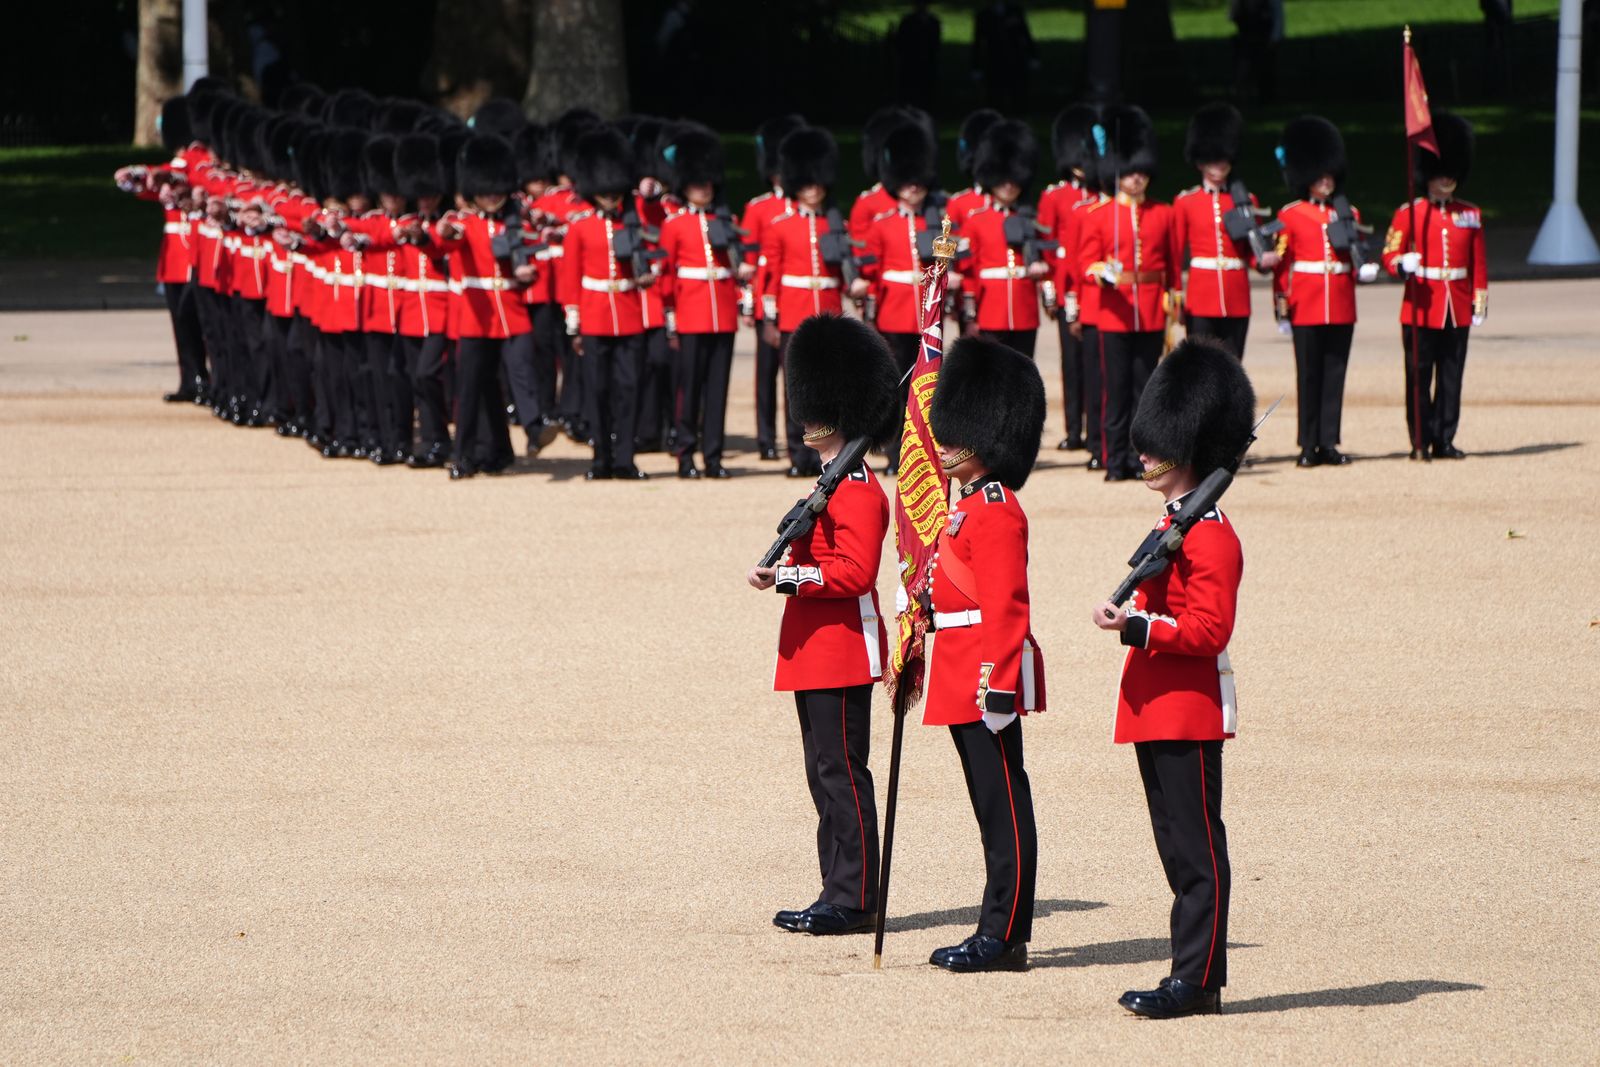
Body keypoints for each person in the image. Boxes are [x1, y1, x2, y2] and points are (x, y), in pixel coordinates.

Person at [1090, 338, 1255, 1019]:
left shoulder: (1211, 534)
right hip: (1157, 703)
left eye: (1160, 448)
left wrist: (1136, 626)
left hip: (1186, 706)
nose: (1146, 458)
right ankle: (1189, 971)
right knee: (1174, 847)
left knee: (1196, 851)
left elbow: (1209, 630)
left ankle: (1198, 980)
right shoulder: (1173, 524)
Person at [746, 314, 898, 938]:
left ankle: (856, 897)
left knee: (841, 771)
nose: (809, 422)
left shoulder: (859, 489)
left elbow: (856, 574)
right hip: (813, 646)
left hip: (840, 647)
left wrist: (787, 578)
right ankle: (835, 886)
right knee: (822, 772)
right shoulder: (828, 483)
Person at [921, 336, 1047, 973]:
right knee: (988, 803)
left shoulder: (995, 509)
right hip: (960, 660)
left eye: (954, 435)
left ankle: (1004, 934)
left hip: (981, 672)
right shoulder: (966, 505)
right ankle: (998, 926)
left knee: (1002, 804)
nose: (942, 446)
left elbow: (1007, 607)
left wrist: (998, 682)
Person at [1272, 115, 1379, 468]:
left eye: (1329, 175)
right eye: (1319, 175)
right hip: (1307, 303)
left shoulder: (1349, 213)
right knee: (1309, 374)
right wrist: (1282, 308)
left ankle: (1329, 441)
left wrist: (1363, 270)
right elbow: (1282, 267)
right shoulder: (1291, 215)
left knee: (1335, 374)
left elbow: (1356, 254)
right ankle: (1307, 444)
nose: (1326, 181)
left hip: (1341, 303)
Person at [1380, 112, 1487, 461]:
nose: (1446, 180)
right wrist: (1402, 264)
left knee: (1451, 378)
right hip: (1421, 306)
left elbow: (1477, 263)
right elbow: (1390, 253)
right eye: (1441, 174)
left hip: (1456, 305)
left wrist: (1478, 301)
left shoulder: (1469, 214)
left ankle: (1444, 438)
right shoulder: (1409, 212)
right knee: (1418, 377)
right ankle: (1420, 440)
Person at [1080, 105, 1178, 482]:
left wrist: (1174, 299)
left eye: (1142, 173)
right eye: (1131, 172)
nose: (1137, 180)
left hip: (1151, 309)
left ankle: (1146, 459)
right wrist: (1101, 274)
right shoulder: (1101, 216)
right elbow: (1087, 262)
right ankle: (1113, 457)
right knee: (1115, 390)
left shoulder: (1162, 213)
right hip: (1115, 311)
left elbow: (1169, 264)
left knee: (1145, 389)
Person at [555, 125, 655, 481]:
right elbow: (570, 278)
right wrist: (574, 323)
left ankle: (625, 459)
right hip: (595, 316)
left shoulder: (635, 219)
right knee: (597, 391)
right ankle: (601, 459)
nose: (610, 196)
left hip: (628, 314)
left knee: (628, 389)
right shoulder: (581, 226)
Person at [429, 133, 525, 479]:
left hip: (506, 314)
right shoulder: (465, 222)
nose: (491, 196)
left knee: (493, 385)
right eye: (485, 191)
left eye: (496, 190)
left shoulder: (513, 223)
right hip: (476, 315)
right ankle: (463, 454)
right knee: (469, 388)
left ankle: (500, 449)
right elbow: (446, 240)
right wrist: (442, 232)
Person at [761, 126, 847, 478]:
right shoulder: (781, 225)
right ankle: (799, 455)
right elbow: (770, 275)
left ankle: (830, 451)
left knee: (831, 386)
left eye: (818, 183)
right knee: (796, 388)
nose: (813, 190)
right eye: (807, 184)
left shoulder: (835, 222)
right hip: (793, 313)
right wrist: (769, 317)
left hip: (827, 311)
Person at [854, 120, 939, 472]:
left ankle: (927, 451)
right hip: (893, 312)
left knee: (928, 386)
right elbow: (869, 271)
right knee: (897, 388)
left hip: (926, 315)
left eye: (918, 183)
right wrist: (864, 292)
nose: (914, 189)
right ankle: (894, 454)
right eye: (907, 183)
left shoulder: (936, 221)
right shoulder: (883, 223)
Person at [113, 95, 209, 404]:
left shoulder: (201, 160)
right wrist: (136, 177)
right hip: (174, 255)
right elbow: (158, 178)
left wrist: (159, 176)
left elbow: (184, 176)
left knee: (197, 318)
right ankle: (191, 379)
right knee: (181, 320)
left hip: (196, 250)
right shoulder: (178, 162)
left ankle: (205, 379)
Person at [656, 126, 738, 479]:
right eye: (696, 182)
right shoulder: (674, 225)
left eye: (707, 182)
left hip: (723, 315)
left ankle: (714, 456)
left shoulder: (726, 221)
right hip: (690, 315)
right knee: (688, 390)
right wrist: (671, 314)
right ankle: (686, 453)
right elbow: (666, 274)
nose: (703, 188)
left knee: (717, 391)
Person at [1175, 102, 1278, 362]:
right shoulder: (1186, 201)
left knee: (1233, 369)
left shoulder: (1246, 200)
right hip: (1201, 296)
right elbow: (1174, 253)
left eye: (1223, 158)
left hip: (1236, 295)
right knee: (1199, 371)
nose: (1219, 165)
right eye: (1212, 159)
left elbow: (1250, 248)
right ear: (1200, 162)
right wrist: (1175, 294)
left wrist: (1262, 260)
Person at [741, 114, 806, 464]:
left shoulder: (800, 210)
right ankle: (766, 437)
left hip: (792, 301)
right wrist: (752, 306)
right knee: (765, 374)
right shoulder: (758, 208)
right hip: (770, 302)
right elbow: (752, 265)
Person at [958, 119, 1052, 357]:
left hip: (1024, 309)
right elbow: (969, 271)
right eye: (1003, 179)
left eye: (1014, 179)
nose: (1009, 186)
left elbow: (1047, 259)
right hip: (991, 309)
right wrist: (971, 314)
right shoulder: (976, 220)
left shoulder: (1031, 217)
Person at [1038, 103, 1100, 452]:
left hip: (1092, 287)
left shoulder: (1101, 197)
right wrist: (1050, 293)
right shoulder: (1054, 196)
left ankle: (1095, 431)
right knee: (1071, 364)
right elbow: (1048, 251)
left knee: (1095, 366)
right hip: (1066, 290)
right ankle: (1074, 429)